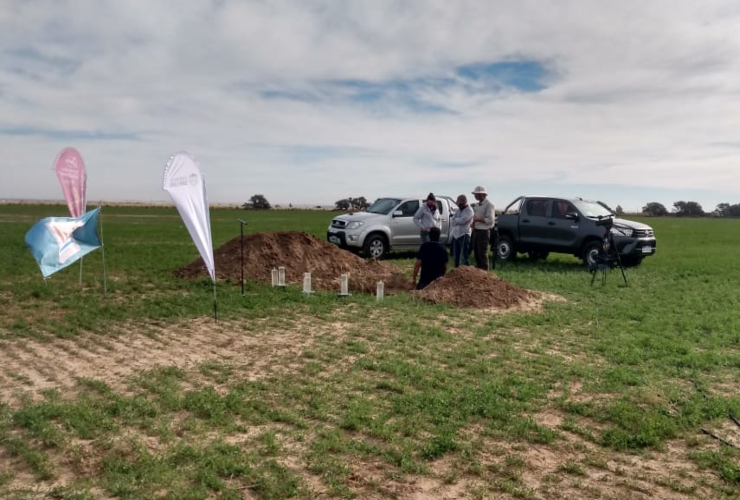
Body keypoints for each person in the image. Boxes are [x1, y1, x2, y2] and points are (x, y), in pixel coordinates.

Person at [470, 185, 494, 270]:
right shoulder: (476, 205)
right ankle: (479, 271)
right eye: (475, 194)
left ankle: (484, 272)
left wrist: (478, 220)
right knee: (476, 252)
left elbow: (490, 220)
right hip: (476, 230)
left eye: (477, 194)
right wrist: (473, 222)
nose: (475, 196)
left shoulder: (489, 205)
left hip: (483, 231)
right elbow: (475, 216)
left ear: (483, 195)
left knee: (482, 253)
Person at [450, 194, 473, 267]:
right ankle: (456, 270)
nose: (459, 205)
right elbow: (452, 220)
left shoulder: (469, 210)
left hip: (464, 234)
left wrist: (456, 220)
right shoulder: (458, 210)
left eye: (460, 204)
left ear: (464, 202)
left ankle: (467, 270)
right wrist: (457, 220)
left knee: (464, 256)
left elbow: (463, 221)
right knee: (456, 255)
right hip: (456, 235)